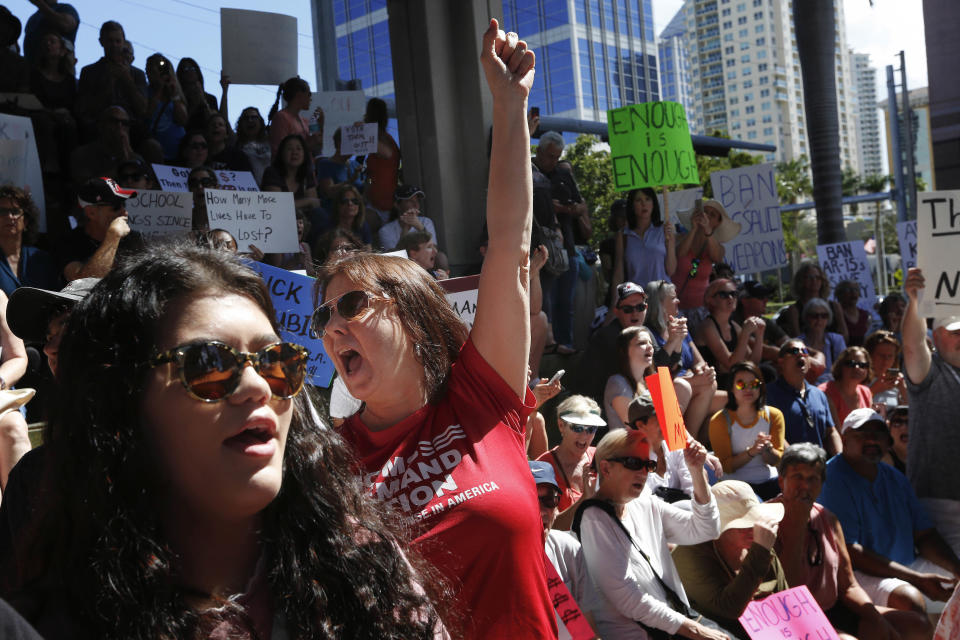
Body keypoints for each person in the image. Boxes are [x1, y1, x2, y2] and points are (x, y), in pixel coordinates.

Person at [1, 243, 447, 638]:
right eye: (209, 363)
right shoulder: (57, 616)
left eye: (276, 361)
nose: (258, 386)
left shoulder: (362, 565)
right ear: (126, 400)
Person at [310, 21, 555, 638]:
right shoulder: (328, 461)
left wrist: (508, 105)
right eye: (322, 317)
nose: (332, 328)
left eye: (350, 306)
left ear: (412, 312)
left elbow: (509, 245)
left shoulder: (483, 395)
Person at [573, 428, 728, 640]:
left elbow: (706, 529)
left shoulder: (643, 503)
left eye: (648, 465)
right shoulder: (594, 519)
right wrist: (694, 630)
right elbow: (628, 598)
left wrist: (696, 471)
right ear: (606, 468)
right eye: (634, 463)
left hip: (675, 623)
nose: (644, 472)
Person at [771, 443, 934, 639]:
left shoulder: (827, 518)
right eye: (797, 477)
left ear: (822, 484)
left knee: (918, 626)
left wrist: (878, 620)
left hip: (833, 608)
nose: (805, 486)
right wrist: (796, 528)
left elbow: (848, 585)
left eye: (813, 478)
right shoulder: (767, 520)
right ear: (781, 481)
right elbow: (786, 591)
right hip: (792, 618)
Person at [818, 408, 960, 616]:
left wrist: (957, 569)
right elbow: (851, 553)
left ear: (887, 441)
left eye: (878, 435)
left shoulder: (894, 477)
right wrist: (916, 579)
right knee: (910, 599)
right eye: (863, 434)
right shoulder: (832, 479)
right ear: (844, 438)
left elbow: (924, 535)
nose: (872, 440)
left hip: (906, 566)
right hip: (858, 576)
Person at [672, 480, 787, 638]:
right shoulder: (689, 555)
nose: (753, 528)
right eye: (744, 524)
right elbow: (729, 609)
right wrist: (760, 552)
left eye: (755, 520)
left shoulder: (761, 543)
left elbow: (785, 597)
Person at [902, 267, 960, 558]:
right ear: (935, 338)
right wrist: (915, 301)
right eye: (955, 333)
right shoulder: (931, 374)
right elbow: (912, 347)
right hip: (941, 507)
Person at [530, 461, 599, 640]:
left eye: (550, 499)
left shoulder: (568, 549)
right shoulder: (497, 558)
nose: (542, 511)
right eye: (530, 499)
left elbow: (584, 631)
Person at [645, 279, 718, 440]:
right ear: (660, 304)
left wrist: (701, 370)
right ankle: (687, 442)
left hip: (691, 384)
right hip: (671, 388)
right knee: (701, 385)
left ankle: (695, 441)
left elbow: (698, 360)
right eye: (673, 298)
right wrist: (695, 380)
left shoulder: (680, 325)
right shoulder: (648, 333)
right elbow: (658, 373)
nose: (678, 301)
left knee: (735, 402)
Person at [709, 361, 785, 501]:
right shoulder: (719, 420)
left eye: (754, 384)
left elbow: (776, 461)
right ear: (731, 388)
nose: (748, 389)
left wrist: (767, 449)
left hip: (770, 483)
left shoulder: (775, 416)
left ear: (760, 387)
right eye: (741, 384)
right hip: (735, 489)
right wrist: (752, 451)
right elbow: (726, 467)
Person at [536, 395, 603, 530]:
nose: (584, 436)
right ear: (561, 425)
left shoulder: (601, 456)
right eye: (577, 428)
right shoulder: (543, 468)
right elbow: (550, 527)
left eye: (591, 429)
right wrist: (585, 498)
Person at [57, 177, 143, 282]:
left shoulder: (135, 240)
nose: (124, 213)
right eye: (116, 207)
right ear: (91, 213)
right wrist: (113, 237)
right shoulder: (67, 243)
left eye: (123, 205)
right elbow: (81, 283)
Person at [765, 340, 842, 455]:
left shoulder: (819, 394)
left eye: (805, 351)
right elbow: (772, 433)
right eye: (794, 351)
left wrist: (838, 459)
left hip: (818, 468)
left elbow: (831, 432)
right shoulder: (768, 394)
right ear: (781, 362)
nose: (800, 354)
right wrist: (796, 460)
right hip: (788, 469)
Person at [75, 21, 148, 134]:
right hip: (100, 127)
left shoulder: (137, 74)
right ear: (101, 42)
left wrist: (127, 79)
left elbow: (143, 110)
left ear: (123, 42)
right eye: (110, 41)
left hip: (131, 127)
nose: (114, 45)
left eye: (118, 41)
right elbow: (84, 110)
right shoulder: (89, 72)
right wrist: (109, 83)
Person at [627, 393, 696, 507]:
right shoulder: (630, 458)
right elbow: (645, 506)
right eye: (663, 418)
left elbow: (693, 489)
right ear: (641, 425)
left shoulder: (676, 447)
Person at [671, 200, 738, 316]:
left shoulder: (718, 248)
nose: (706, 216)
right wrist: (693, 229)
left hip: (701, 309)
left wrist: (707, 230)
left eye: (712, 215)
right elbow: (680, 254)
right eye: (705, 212)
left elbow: (716, 257)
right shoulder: (680, 238)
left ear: (717, 223)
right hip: (675, 308)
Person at [696, 278, 764, 391]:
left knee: (765, 372)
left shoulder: (734, 326)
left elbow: (753, 362)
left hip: (733, 380)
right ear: (711, 300)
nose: (730, 298)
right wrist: (745, 334)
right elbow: (731, 365)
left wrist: (760, 335)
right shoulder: (707, 326)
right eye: (723, 294)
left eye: (734, 294)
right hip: (716, 384)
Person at [612, 187, 677, 295]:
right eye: (638, 200)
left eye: (647, 199)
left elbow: (671, 270)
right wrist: (615, 302)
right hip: (638, 301)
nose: (644, 204)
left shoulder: (665, 231)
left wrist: (669, 243)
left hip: (664, 297)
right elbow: (618, 274)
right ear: (632, 205)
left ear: (654, 203)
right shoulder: (623, 235)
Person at [0, 187, 60, 296]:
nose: (9, 216)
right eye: (2, 211)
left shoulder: (41, 258)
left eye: (15, 211)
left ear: (26, 221)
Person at [262, 134, 322, 229]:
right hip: (276, 221)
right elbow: (277, 206)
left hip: (302, 223)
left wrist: (300, 204)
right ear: (282, 153)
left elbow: (315, 203)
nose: (295, 152)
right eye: (290, 149)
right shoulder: (272, 172)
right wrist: (307, 202)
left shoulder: (307, 173)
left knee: (318, 214)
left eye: (299, 149)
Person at [776, 262, 848, 342]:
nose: (814, 280)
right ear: (801, 281)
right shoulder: (794, 310)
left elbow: (844, 335)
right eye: (809, 277)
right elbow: (796, 339)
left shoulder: (835, 306)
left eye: (818, 277)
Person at [604, 326, 657, 432]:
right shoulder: (617, 383)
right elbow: (637, 430)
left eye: (650, 343)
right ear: (624, 350)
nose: (650, 347)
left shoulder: (654, 380)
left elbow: (672, 422)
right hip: (628, 447)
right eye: (642, 343)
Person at [143, 53, 187, 161]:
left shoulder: (174, 92)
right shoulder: (145, 92)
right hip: (155, 151)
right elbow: (147, 114)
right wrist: (159, 89)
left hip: (178, 150)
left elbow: (182, 120)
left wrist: (174, 94)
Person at [362, 97, 400, 219]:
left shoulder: (384, 141)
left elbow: (388, 154)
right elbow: (371, 176)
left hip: (385, 202)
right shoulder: (380, 140)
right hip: (374, 201)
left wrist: (363, 131)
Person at [733, 280, 789, 362]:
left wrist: (810, 353)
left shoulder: (766, 322)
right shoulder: (735, 323)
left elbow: (788, 342)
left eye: (766, 296)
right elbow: (766, 351)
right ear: (745, 301)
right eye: (760, 297)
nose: (766, 300)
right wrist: (795, 355)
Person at [818, 346, 874, 427]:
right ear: (840, 366)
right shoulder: (824, 392)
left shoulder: (866, 391)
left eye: (862, 365)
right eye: (851, 363)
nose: (857, 368)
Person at [267, 77, 322, 156]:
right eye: (309, 94)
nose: (310, 99)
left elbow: (316, 146)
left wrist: (319, 123)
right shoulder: (281, 118)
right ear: (299, 95)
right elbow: (280, 151)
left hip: (306, 167)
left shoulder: (305, 121)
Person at [798, 297, 847, 384]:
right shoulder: (798, 343)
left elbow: (844, 369)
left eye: (824, 316)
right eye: (814, 316)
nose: (819, 319)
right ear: (806, 318)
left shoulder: (836, 340)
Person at [377, 185, 438, 252]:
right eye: (410, 201)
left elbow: (434, 250)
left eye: (417, 201)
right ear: (397, 205)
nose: (416, 205)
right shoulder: (385, 230)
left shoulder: (426, 221)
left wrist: (420, 227)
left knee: (441, 258)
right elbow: (395, 258)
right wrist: (405, 227)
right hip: (403, 261)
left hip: (424, 260)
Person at [22, 0, 79, 66]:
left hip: (60, 69)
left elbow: (67, 24)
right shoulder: (32, 18)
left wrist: (40, 4)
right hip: (34, 68)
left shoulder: (65, 8)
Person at [864, 330, 907, 410]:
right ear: (870, 355)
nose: (885, 361)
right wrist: (874, 390)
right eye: (881, 356)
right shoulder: (859, 379)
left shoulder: (900, 381)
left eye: (890, 356)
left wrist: (903, 389)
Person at [233, 107, 271, 184]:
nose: (250, 120)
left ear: (260, 121)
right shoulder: (236, 142)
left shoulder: (270, 139)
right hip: (248, 189)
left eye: (254, 117)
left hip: (270, 188)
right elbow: (225, 120)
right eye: (246, 118)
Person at [836, 280, 871, 347]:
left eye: (856, 289)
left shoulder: (864, 315)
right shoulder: (834, 314)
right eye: (848, 290)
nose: (853, 292)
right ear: (840, 294)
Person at [881, 405, 909, 474]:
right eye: (897, 423)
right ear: (888, 429)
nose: (904, 427)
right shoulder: (885, 460)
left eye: (909, 422)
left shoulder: (924, 456)